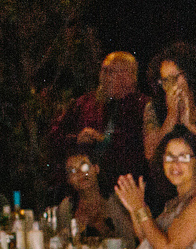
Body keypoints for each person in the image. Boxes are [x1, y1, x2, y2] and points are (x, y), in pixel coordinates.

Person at [47, 52, 152, 190]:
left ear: (130, 76)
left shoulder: (144, 106)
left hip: (125, 188)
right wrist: (76, 139)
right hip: (84, 189)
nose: (104, 77)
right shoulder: (85, 103)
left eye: (111, 71)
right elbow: (53, 137)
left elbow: (142, 149)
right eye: (103, 71)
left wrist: (104, 140)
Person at [144, 43, 196, 207]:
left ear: (190, 75)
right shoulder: (153, 108)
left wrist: (192, 126)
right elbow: (150, 153)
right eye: (164, 80)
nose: (170, 84)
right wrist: (171, 118)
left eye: (175, 77)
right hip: (168, 193)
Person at [56, 151, 136, 246]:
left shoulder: (118, 200)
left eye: (85, 167)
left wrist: (103, 228)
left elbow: (131, 240)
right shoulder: (66, 207)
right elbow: (63, 244)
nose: (80, 174)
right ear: (69, 180)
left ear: (96, 169)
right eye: (73, 171)